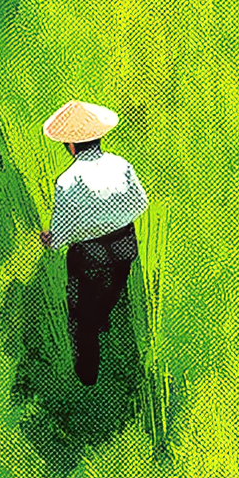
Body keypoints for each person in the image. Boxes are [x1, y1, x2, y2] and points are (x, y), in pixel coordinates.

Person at [40, 100, 148, 386]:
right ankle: (103, 317)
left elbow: (60, 232)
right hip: (124, 246)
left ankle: (87, 374)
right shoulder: (121, 164)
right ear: (99, 138)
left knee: (81, 316)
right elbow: (140, 203)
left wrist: (51, 241)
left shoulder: (68, 181)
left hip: (89, 257)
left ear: (71, 146)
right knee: (112, 291)